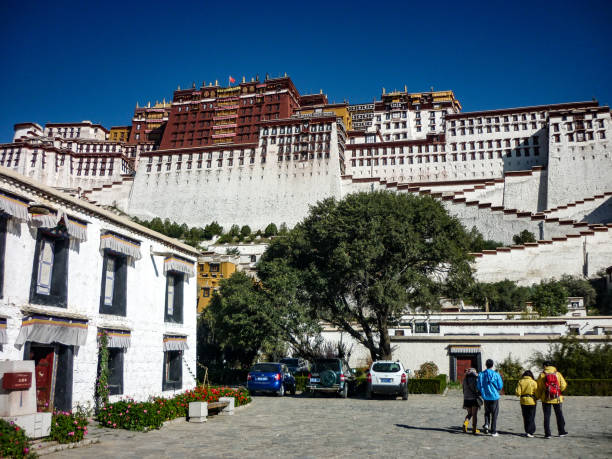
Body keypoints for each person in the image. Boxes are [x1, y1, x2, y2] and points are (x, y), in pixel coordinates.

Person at [536, 361, 568, 438]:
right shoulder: (557, 373)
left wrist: (538, 396)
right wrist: (558, 391)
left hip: (546, 398)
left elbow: (539, 387)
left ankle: (547, 434)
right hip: (557, 398)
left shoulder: (542, 375)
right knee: (559, 415)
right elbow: (564, 385)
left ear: (545, 366)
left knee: (547, 416)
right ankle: (561, 432)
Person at [477, 359, 503, 436]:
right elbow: (500, 385)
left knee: (487, 411)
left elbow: (478, 385)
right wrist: (497, 389)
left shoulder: (481, 374)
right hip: (494, 396)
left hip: (485, 396)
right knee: (494, 413)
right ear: (492, 365)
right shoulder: (496, 374)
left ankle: (486, 424)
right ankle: (493, 431)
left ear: (486, 365)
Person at [515, 370, 538, 437]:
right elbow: (537, 393)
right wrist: (537, 397)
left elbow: (518, 393)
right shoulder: (534, 382)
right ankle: (530, 431)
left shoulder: (520, 381)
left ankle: (527, 430)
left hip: (523, 401)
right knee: (531, 416)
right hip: (532, 401)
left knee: (525, 417)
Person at [462, 368, 481, 435]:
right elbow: (477, 389)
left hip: (466, 399)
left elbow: (463, 390)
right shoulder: (476, 379)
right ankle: (474, 429)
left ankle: (465, 423)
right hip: (474, 399)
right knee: (474, 415)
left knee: (469, 414)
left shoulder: (464, 379)